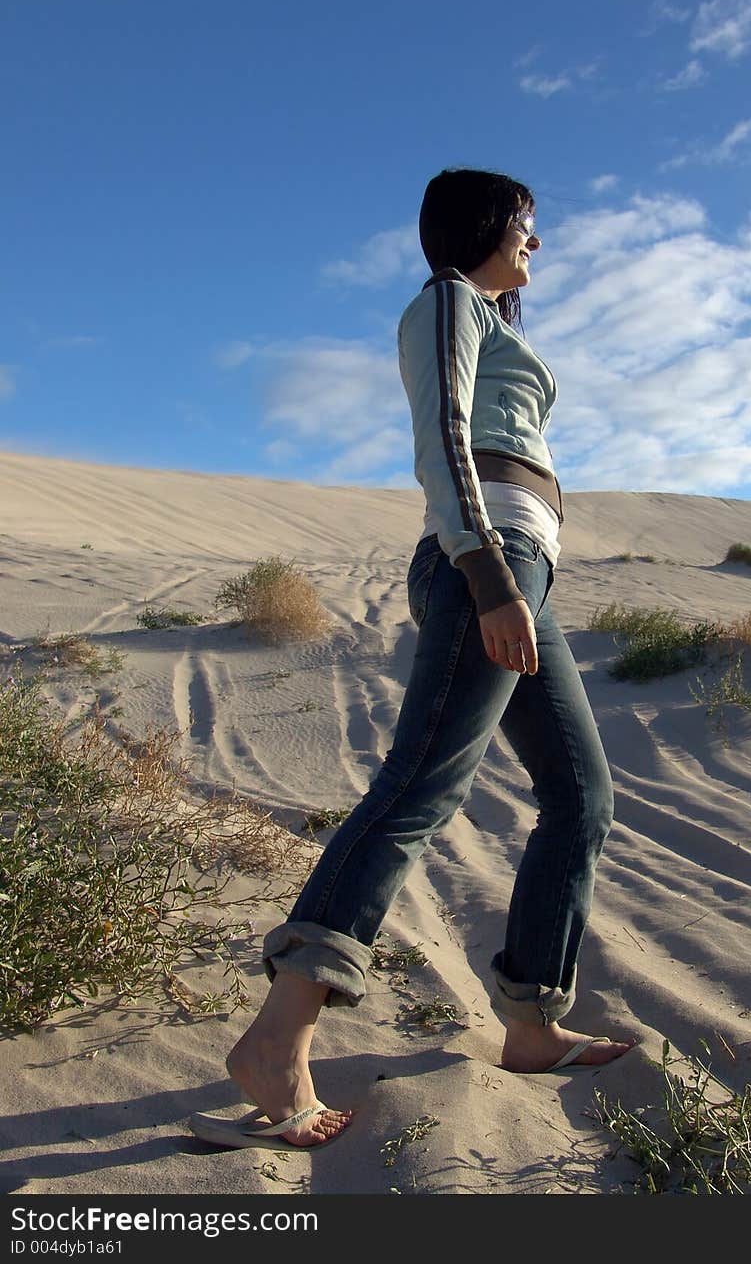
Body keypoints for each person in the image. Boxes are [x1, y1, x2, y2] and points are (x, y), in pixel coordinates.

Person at [190, 167, 634, 1152]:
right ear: (482, 224)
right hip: (488, 561)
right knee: (420, 786)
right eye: (527, 224)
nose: (536, 241)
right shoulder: (445, 303)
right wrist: (487, 574)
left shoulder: (496, 318)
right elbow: (442, 436)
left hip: (525, 568)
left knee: (580, 794)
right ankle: (276, 1040)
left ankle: (528, 1022)